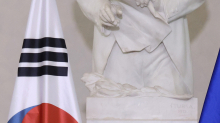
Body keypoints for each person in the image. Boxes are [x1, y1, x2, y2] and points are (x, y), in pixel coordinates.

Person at [77, 0, 205, 97]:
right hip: (116, 44)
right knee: (112, 116)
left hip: (164, 50)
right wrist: (100, 7)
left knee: (170, 119)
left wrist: (159, 3)